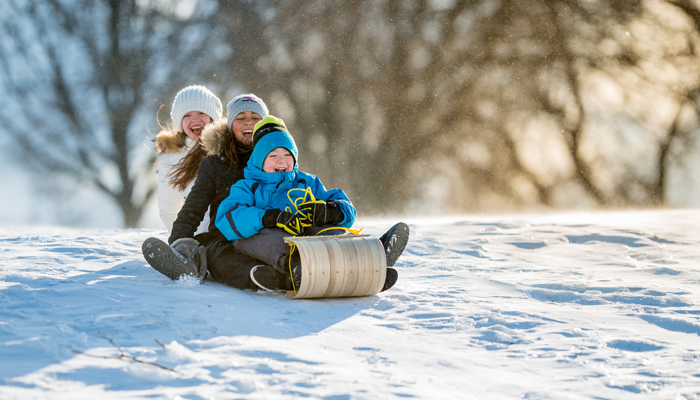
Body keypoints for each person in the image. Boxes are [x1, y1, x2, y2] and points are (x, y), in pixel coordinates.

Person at [214, 115, 409, 292]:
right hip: (271, 242)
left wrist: (330, 212)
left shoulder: (307, 182)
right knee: (259, 237)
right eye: (272, 155)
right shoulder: (247, 187)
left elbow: (345, 204)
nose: (281, 160)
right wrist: (268, 217)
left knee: (331, 233)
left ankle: (372, 257)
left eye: (287, 154)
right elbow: (228, 217)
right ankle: (296, 266)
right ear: (259, 160)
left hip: (309, 238)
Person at [143, 94, 272, 289]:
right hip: (224, 237)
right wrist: (179, 242)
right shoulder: (215, 163)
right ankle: (263, 276)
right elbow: (193, 207)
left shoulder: (276, 157)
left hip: (267, 231)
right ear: (229, 125)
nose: (248, 123)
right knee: (219, 259)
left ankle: (290, 270)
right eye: (240, 118)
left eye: (255, 118)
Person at [154, 85, 222, 235]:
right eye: (187, 115)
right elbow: (169, 212)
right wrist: (185, 238)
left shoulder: (228, 150)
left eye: (201, 112)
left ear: (212, 117)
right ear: (179, 122)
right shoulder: (171, 159)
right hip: (197, 235)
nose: (195, 120)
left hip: (231, 231)